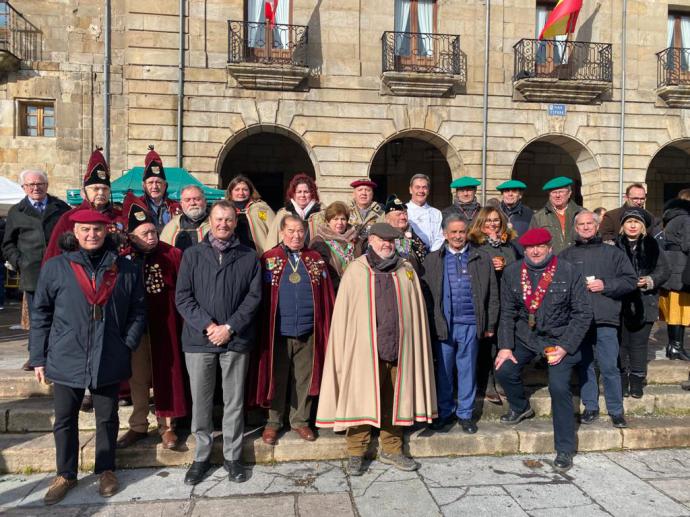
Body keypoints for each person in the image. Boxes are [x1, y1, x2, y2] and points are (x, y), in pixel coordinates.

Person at [29, 210, 146, 504]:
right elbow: (41, 313)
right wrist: (38, 357)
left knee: (107, 417)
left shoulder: (126, 269)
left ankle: (106, 469)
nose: (91, 234)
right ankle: (65, 474)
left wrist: (126, 344)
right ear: (75, 232)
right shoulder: (56, 267)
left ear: (106, 231)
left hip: (109, 353)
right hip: (66, 354)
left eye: (97, 229)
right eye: (85, 229)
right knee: (65, 419)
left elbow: (139, 310)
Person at [316, 223, 437, 476]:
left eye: (391, 241)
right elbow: (345, 316)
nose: (387, 245)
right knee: (360, 396)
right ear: (370, 240)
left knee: (395, 399)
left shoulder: (406, 270)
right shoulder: (356, 271)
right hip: (364, 350)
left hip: (399, 347)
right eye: (382, 240)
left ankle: (392, 448)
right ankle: (356, 452)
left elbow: (415, 311)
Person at [175, 200, 262, 485]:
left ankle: (232, 456)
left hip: (235, 340)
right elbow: (183, 298)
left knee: (234, 402)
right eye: (218, 219)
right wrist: (209, 326)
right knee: (201, 401)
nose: (223, 224)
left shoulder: (249, 257)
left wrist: (229, 327)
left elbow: (253, 298)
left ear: (236, 223)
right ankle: (201, 456)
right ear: (209, 222)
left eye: (228, 220)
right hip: (199, 340)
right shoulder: (193, 255)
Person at [495, 227, 592, 473]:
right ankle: (520, 407)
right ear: (524, 249)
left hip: (559, 339)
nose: (535, 251)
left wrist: (565, 347)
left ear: (550, 247)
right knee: (504, 370)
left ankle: (565, 448)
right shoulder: (512, 272)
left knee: (559, 388)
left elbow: (583, 313)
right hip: (527, 337)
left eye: (541, 246)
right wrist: (505, 347)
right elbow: (507, 312)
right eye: (530, 247)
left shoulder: (568, 271)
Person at [252, 215, 335, 445]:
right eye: (291, 231)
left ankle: (300, 421)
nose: (296, 235)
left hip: (309, 330)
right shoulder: (269, 259)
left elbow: (327, 296)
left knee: (304, 378)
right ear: (281, 233)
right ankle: (273, 422)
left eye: (300, 231)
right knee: (276, 377)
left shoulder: (316, 259)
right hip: (277, 332)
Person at [115, 199, 189, 450]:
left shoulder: (172, 254)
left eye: (153, 231)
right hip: (135, 328)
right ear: (132, 236)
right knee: (137, 377)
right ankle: (138, 425)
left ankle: (167, 426)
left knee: (164, 375)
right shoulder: (123, 258)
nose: (151, 236)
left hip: (166, 326)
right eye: (144, 233)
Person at [421, 215, 498, 433]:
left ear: (467, 233)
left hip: (470, 324)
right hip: (443, 325)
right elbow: (426, 295)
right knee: (444, 372)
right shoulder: (433, 259)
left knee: (467, 370)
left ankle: (465, 414)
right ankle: (445, 412)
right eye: (453, 232)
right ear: (445, 234)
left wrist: (490, 323)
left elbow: (493, 293)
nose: (457, 236)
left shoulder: (481, 258)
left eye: (461, 232)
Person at [560, 211, 637, 428]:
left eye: (589, 224)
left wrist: (607, 285)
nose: (585, 227)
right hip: (578, 321)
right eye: (581, 224)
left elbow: (630, 280)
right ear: (575, 228)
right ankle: (590, 406)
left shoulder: (613, 253)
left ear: (597, 226)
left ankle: (616, 410)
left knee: (610, 366)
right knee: (585, 365)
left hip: (606, 318)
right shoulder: (566, 255)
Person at [2, 169, 70, 369]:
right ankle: (36, 357)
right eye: (30, 185)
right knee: (37, 317)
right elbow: (7, 244)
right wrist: (19, 261)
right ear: (24, 188)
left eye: (39, 184)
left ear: (47, 185)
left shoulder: (61, 208)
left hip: (60, 271)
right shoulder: (17, 211)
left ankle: (58, 355)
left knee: (61, 315)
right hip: (32, 273)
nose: (35, 188)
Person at [614, 208, 670, 398]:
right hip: (619, 303)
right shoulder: (614, 246)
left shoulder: (653, 245)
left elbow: (664, 271)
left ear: (642, 227)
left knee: (638, 343)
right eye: (628, 221)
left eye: (636, 222)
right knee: (620, 343)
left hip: (645, 302)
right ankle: (621, 379)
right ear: (622, 225)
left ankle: (636, 380)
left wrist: (648, 280)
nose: (632, 225)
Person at [468, 206, 519, 404]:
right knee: (486, 341)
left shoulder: (509, 244)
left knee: (502, 340)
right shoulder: (475, 244)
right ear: (480, 223)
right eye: (488, 220)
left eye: (496, 220)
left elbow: (518, 265)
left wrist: (505, 264)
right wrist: (490, 265)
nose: (492, 224)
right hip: (485, 297)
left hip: (506, 297)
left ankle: (500, 379)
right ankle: (486, 381)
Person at [44, 148, 123, 263]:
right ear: (84, 192)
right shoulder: (69, 218)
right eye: (95, 189)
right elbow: (53, 254)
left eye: (105, 189)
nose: (101, 193)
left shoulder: (120, 216)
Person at [658, 189, 690, 361]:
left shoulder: (671, 217)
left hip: (672, 266)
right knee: (679, 310)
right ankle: (676, 347)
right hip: (681, 267)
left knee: (674, 310)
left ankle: (674, 347)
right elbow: (687, 244)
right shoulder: (686, 218)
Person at [309, 201, 361, 292]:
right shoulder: (318, 242)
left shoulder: (356, 241)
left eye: (343, 219)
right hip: (330, 290)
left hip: (354, 289)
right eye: (335, 219)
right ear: (328, 221)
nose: (340, 223)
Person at [529, 176, 583, 255]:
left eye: (561, 192)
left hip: (577, 260)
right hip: (551, 262)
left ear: (569, 193)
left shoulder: (582, 213)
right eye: (554, 192)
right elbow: (532, 242)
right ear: (549, 195)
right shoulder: (539, 217)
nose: (557, 195)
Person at [266, 173, 323, 247]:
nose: (302, 195)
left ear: (312, 194)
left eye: (306, 192)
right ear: (293, 194)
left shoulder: (321, 215)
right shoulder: (283, 214)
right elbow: (272, 241)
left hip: (315, 257)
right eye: (299, 192)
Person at [225, 174, 275, 255]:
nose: (241, 193)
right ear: (230, 192)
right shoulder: (225, 210)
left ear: (250, 191)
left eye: (245, 189)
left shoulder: (262, 209)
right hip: (232, 255)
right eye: (237, 189)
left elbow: (274, 230)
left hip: (258, 255)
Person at [137, 145, 182, 231]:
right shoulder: (137, 205)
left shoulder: (176, 206)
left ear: (165, 185)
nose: (154, 186)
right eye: (150, 182)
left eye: (158, 182)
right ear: (144, 185)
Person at [383, 194, 428, 271]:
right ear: (388, 219)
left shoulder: (414, 235)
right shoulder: (382, 236)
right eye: (398, 214)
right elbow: (404, 258)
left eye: (405, 213)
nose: (403, 217)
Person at [160, 185, 210, 252]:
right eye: (187, 200)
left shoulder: (216, 223)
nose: (192, 203)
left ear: (205, 201)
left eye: (197, 199)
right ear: (181, 204)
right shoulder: (171, 227)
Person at [406, 173, 444, 252]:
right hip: (409, 255)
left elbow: (440, 238)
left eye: (424, 187)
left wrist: (431, 255)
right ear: (410, 189)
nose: (421, 191)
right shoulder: (402, 211)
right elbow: (399, 235)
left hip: (432, 256)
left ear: (428, 191)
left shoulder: (436, 213)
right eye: (417, 187)